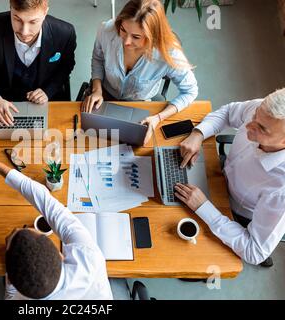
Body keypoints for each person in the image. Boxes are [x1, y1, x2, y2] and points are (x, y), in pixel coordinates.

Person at [0, 150, 113, 300]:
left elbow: (10, 294)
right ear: (60, 255)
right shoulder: (89, 258)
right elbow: (48, 204)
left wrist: (10, 281)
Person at [175, 88, 285, 267]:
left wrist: (204, 208)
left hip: (236, 214)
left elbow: (255, 251)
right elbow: (228, 112)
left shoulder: (281, 191)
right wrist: (198, 134)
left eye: (262, 129)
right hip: (219, 175)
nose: (249, 125)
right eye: (255, 115)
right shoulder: (263, 112)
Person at [82, 0, 198, 144]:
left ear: (153, 36)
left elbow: (190, 91)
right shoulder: (107, 30)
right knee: (88, 141)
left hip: (139, 105)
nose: (126, 42)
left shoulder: (169, 53)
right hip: (104, 96)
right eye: (123, 30)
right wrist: (97, 89)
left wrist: (158, 118)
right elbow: (98, 59)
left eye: (136, 37)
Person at [0, 0, 76, 127]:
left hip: (48, 103)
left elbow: (66, 66)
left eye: (33, 22)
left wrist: (48, 91)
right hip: (3, 104)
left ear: (45, 13)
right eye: (17, 19)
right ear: (10, 8)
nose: (24, 32)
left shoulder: (65, 33)